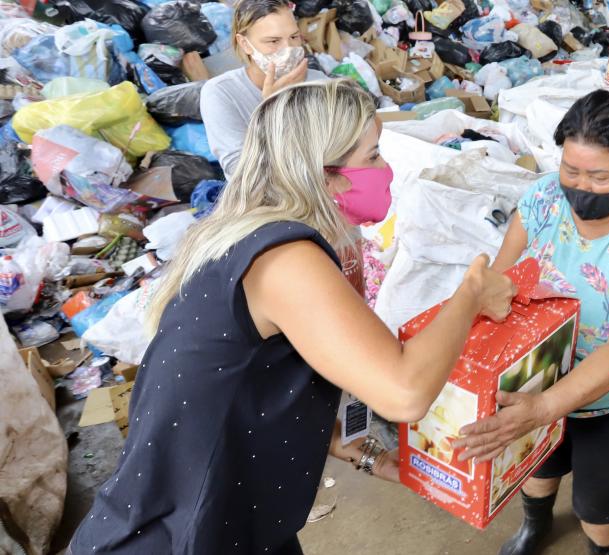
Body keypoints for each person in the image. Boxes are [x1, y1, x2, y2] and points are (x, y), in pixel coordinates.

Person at [68, 80, 517, 554]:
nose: (386, 169)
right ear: (322, 173)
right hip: (185, 533)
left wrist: (350, 446)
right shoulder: (284, 259)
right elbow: (404, 393)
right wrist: (470, 293)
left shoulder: (250, 233)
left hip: (230, 515)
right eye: (372, 156)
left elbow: (257, 379)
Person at [455, 90, 609, 555]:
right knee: (536, 469)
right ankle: (535, 526)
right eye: (572, 169)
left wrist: (546, 408)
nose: (580, 187)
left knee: (598, 508)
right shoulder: (544, 196)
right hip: (536, 372)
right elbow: (502, 280)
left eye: (599, 175)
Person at [200, 0, 326, 177]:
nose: (289, 49)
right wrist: (273, 106)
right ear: (244, 44)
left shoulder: (318, 82)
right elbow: (241, 172)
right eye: (273, 41)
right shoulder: (220, 92)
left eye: (294, 37)